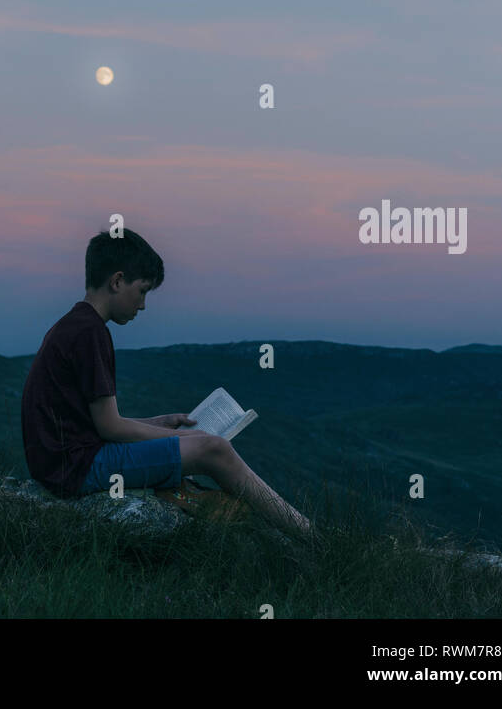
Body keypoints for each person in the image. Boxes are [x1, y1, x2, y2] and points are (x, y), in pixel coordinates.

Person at [21, 227, 311, 535]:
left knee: (205, 443)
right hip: (77, 469)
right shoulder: (90, 332)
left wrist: (157, 423)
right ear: (117, 281)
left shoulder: (74, 325)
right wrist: (187, 440)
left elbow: (91, 421)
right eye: (142, 290)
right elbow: (110, 428)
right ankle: (309, 534)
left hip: (64, 463)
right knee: (215, 448)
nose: (143, 305)